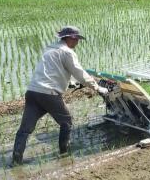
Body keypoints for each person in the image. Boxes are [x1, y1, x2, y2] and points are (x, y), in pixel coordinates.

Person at [12, 26, 108, 165]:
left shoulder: (50, 49)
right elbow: (79, 73)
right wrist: (98, 87)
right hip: (48, 94)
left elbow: (53, 71)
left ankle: (16, 161)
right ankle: (64, 153)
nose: (77, 43)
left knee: (25, 129)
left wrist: (70, 83)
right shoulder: (67, 52)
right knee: (67, 121)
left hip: (33, 92)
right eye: (77, 39)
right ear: (71, 38)